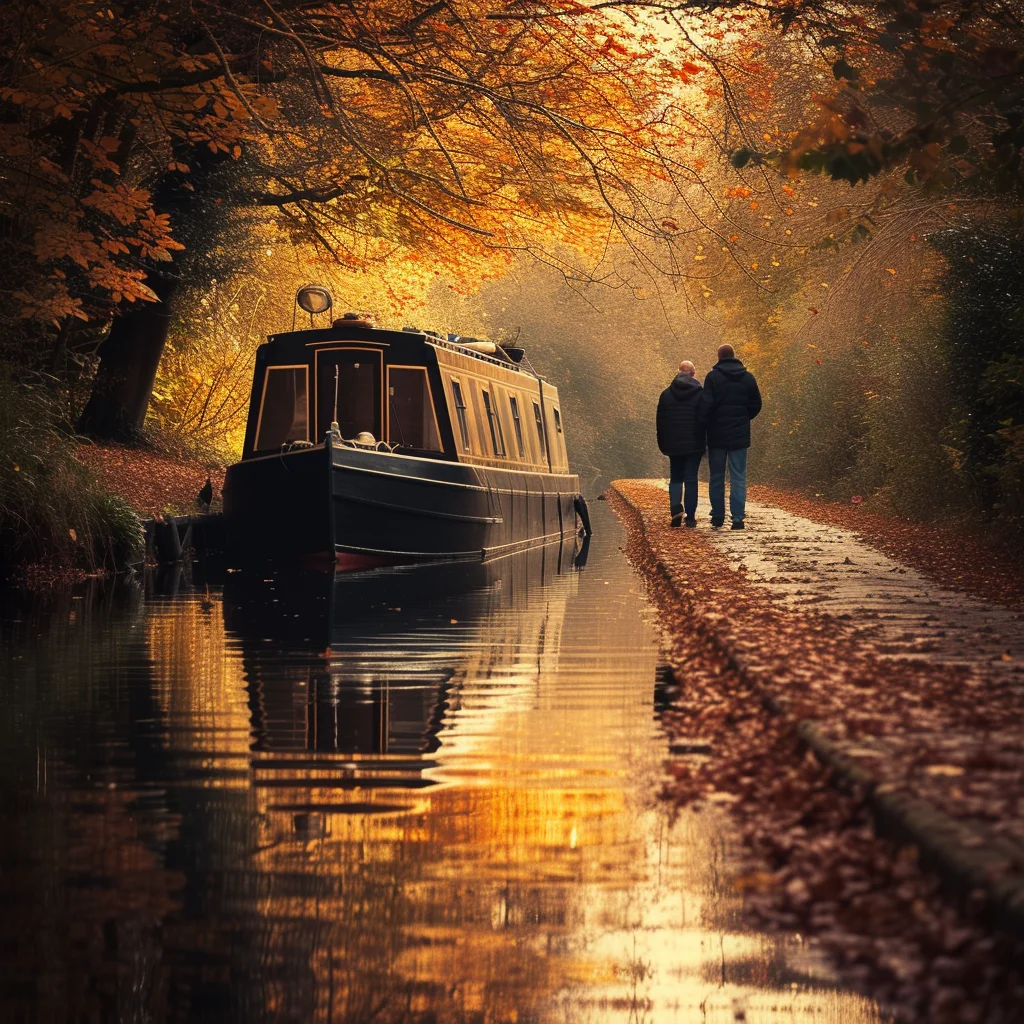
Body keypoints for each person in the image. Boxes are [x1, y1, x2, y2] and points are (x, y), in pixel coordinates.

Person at [699, 343, 762, 530]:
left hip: (717, 436)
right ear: (734, 356)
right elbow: (756, 404)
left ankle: (718, 516)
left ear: (719, 357)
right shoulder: (748, 378)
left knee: (717, 477)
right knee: (738, 477)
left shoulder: (712, 377)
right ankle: (737, 518)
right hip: (739, 435)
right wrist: (744, 418)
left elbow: (706, 406)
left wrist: (705, 426)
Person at [656, 360, 706, 528]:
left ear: (678, 372)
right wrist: (704, 439)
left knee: (676, 477)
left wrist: (663, 444)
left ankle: (676, 510)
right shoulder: (700, 394)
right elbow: (704, 419)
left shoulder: (666, 394)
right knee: (691, 479)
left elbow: (660, 422)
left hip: (674, 444)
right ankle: (690, 517)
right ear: (693, 373)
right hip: (694, 443)